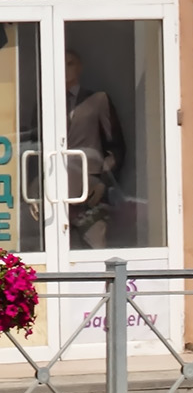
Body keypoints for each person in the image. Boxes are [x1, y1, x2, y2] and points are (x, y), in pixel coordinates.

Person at [64, 48, 126, 249]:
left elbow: (115, 147)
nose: (65, 69)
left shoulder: (97, 100)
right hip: (56, 192)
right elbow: (37, 146)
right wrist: (34, 190)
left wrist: (103, 183)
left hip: (90, 191)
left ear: (80, 68)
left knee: (96, 250)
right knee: (61, 252)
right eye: (61, 63)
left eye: (70, 63)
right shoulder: (45, 103)